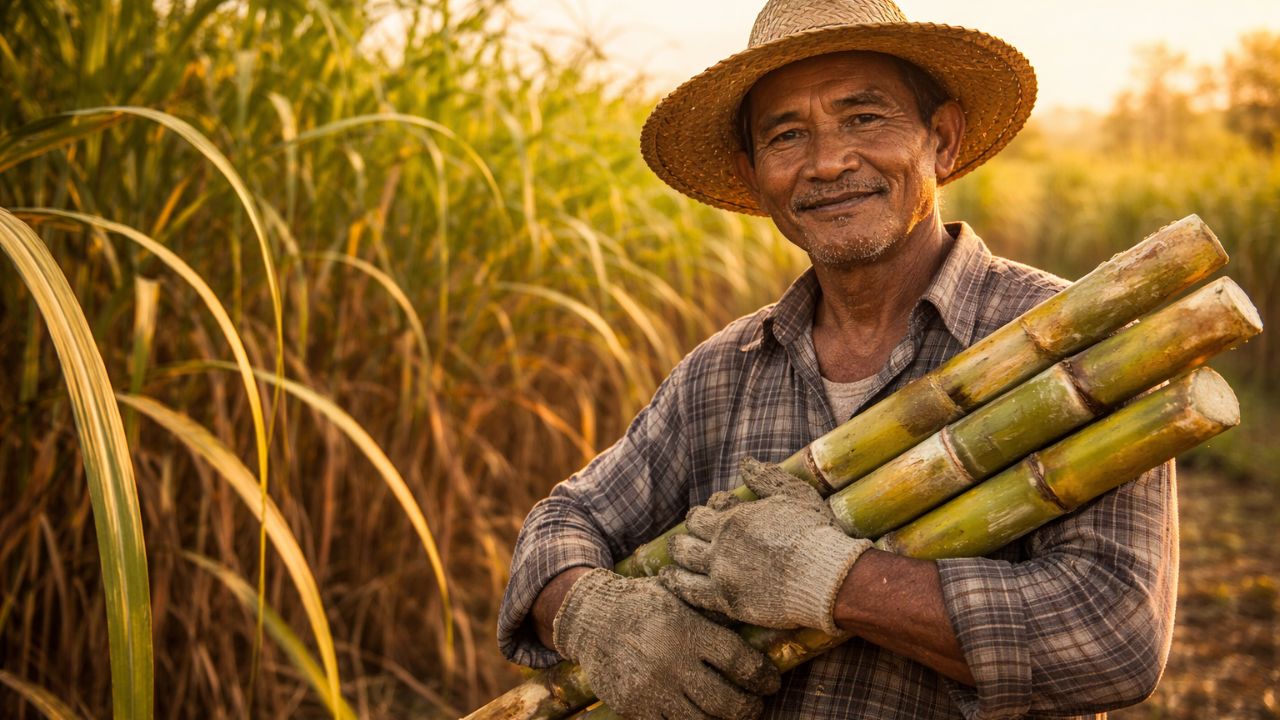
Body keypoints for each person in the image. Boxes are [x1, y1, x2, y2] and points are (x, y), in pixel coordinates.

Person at [497, 0, 1178, 717]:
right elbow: (562, 522)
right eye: (787, 135)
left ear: (942, 140)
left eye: (864, 117)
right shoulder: (721, 372)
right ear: (754, 174)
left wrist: (834, 578)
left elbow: (1115, 635)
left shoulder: (1073, 345)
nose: (827, 163)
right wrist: (593, 613)